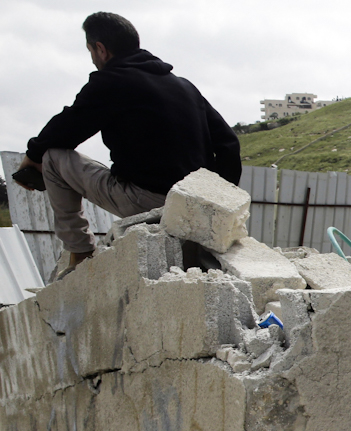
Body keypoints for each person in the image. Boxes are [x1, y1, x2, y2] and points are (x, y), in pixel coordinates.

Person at [17, 12, 241, 276]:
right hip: (194, 203)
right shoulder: (184, 86)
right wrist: (214, 200)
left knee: (52, 156)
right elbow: (229, 143)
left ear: (100, 49)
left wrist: (32, 155)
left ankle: (81, 250)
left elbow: (64, 129)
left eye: (90, 50)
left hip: (145, 199)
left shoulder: (110, 81)